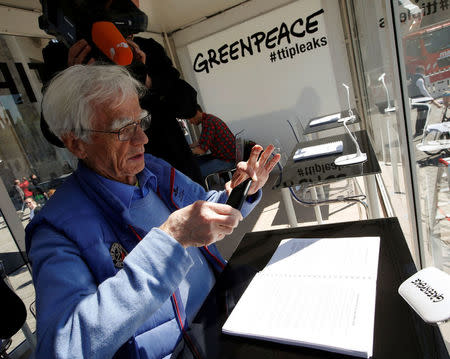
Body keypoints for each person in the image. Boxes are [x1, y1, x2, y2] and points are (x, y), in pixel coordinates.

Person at [25, 64, 280, 358]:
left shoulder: (153, 170)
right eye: (123, 129)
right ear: (76, 143)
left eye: (140, 123)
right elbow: (62, 348)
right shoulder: (57, 229)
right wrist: (171, 240)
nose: (142, 139)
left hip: (226, 309)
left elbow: (203, 206)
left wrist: (240, 189)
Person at [40, 0, 205, 187]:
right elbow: (54, 133)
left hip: (176, 172)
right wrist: (74, 82)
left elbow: (188, 106)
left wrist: (148, 80)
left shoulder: (147, 49)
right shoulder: (65, 55)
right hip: (120, 183)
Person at [188, 105, 237, 178]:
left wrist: (186, 152)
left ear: (197, 112)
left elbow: (202, 150)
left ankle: (200, 189)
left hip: (227, 160)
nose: (190, 122)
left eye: (190, 118)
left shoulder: (208, 122)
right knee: (195, 162)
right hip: (221, 156)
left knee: (195, 173)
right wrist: (188, 146)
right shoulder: (208, 119)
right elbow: (201, 141)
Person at [409, 65, 442, 137]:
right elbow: (423, 90)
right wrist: (430, 98)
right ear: (421, 71)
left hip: (414, 98)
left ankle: (419, 129)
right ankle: (420, 129)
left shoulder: (413, 77)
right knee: (424, 112)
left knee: (420, 113)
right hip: (420, 98)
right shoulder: (420, 79)